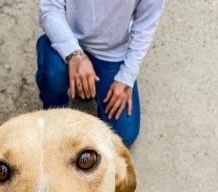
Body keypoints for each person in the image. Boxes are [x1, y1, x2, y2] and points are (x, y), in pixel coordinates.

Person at [36, 0, 165, 146]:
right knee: (53, 74)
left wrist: (126, 77)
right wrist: (74, 54)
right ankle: (53, 114)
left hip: (110, 50)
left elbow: (145, 26)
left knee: (124, 136)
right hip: (65, 32)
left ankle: (86, 86)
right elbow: (50, 8)